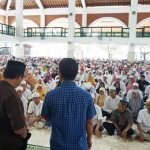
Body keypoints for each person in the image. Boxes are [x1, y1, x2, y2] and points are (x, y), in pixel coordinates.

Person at [41, 58, 96, 150]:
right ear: (76, 74)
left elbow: (46, 117)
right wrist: (89, 139)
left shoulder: (50, 95)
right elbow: (89, 122)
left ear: (60, 74)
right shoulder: (86, 95)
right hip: (79, 145)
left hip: (57, 144)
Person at [0, 60, 31, 150]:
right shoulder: (12, 95)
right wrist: (24, 132)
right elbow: (19, 129)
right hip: (7, 143)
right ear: (18, 77)